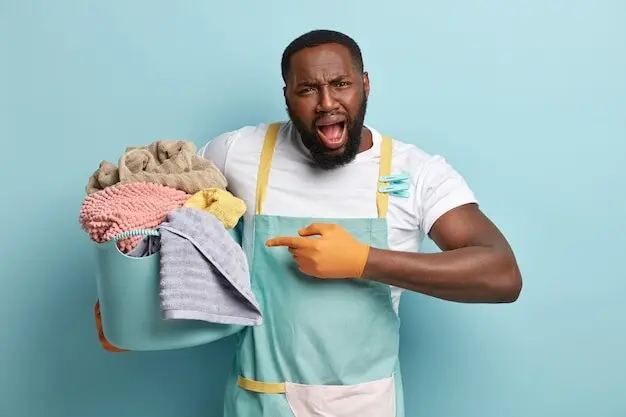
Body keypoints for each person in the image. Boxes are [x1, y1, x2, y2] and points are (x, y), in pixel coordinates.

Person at [194, 29, 522, 417]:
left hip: (366, 405)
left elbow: (502, 275)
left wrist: (363, 261)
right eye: (307, 89)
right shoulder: (237, 153)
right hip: (260, 402)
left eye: (341, 84)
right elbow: (160, 216)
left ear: (365, 85)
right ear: (287, 95)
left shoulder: (415, 172)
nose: (326, 103)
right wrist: (135, 314)